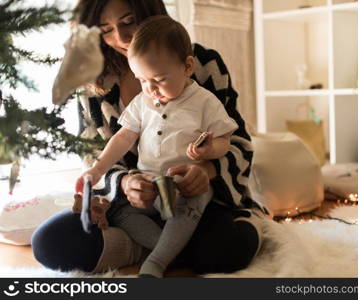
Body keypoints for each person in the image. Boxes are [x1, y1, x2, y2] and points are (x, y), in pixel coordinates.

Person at [32, 0, 267, 275]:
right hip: (131, 206)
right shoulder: (93, 80)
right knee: (49, 243)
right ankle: (163, 248)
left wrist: (206, 168)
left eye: (128, 22)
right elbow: (96, 154)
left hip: (193, 200)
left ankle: (159, 251)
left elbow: (237, 142)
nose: (120, 38)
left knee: (228, 247)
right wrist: (125, 183)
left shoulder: (203, 64)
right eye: (106, 29)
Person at [76, 15, 239, 278]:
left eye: (159, 79)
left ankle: (156, 263)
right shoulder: (143, 101)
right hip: (149, 185)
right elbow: (123, 138)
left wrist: (208, 152)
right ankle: (169, 249)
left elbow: (225, 141)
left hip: (183, 187)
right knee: (119, 210)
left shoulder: (204, 101)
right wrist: (97, 170)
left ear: (187, 67)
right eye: (142, 80)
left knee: (193, 204)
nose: (150, 89)